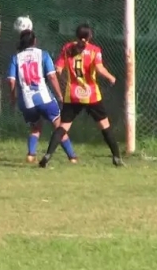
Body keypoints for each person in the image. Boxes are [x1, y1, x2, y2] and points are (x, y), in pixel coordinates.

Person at [38, 23, 124, 168]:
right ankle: (116, 157)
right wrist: (111, 77)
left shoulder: (67, 48)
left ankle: (48, 155)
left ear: (77, 36)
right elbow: (99, 68)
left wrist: (65, 78)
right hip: (91, 95)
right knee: (105, 126)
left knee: (63, 127)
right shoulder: (94, 50)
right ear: (90, 36)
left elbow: (58, 69)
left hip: (72, 95)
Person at [6, 29, 78, 164]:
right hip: (44, 98)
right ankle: (72, 156)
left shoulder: (16, 58)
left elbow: (11, 80)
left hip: (27, 101)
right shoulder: (43, 55)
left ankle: (31, 154)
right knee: (59, 126)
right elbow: (51, 76)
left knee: (35, 127)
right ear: (34, 41)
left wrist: (13, 97)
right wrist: (60, 96)